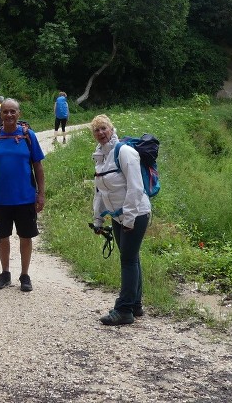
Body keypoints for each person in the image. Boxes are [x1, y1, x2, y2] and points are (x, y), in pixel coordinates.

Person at [90, 113, 151, 325]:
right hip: (118, 217)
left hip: (137, 213)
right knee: (131, 257)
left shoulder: (125, 152)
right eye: (96, 130)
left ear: (111, 129)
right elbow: (100, 191)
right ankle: (135, 304)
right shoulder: (100, 156)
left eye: (104, 128)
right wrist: (98, 220)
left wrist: (129, 219)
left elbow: (136, 188)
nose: (101, 133)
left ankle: (124, 310)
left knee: (128, 259)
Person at [0, 98, 46, 292]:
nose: (9, 115)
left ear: (19, 114)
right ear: (0, 114)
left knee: (26, 237)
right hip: (0, 198)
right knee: (3, 237)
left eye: (13, 112)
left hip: (25, 197)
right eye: (5, 112)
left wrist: (41, 194)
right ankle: (5, 273)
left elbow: (38, 166)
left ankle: (25, 275)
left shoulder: (29, 136)